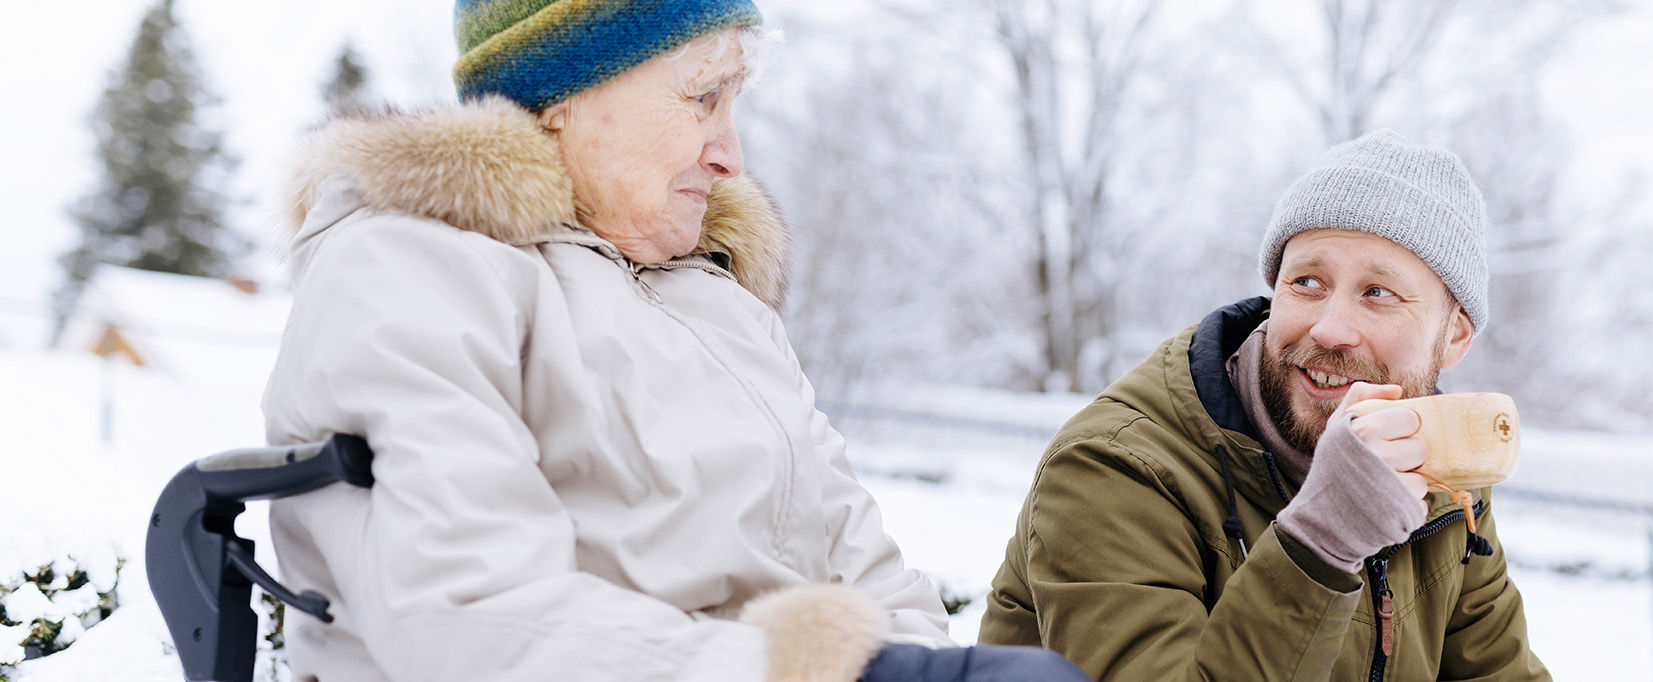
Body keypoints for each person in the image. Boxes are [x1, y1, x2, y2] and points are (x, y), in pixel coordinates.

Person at [263, 2, 1089, 681]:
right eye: (704, 99)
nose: (731, 155)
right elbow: (465, 615)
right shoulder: (412, 265)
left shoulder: (716, 303)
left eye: (737, 107)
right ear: (563, 97)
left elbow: (867, 571)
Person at [977, 131, 1551, 680]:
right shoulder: (1115, 468)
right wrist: (1320, 543)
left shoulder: (1442, 479)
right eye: (1307, 282)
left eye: (1377, 293)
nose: (1330, 329)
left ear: (1454, 338)